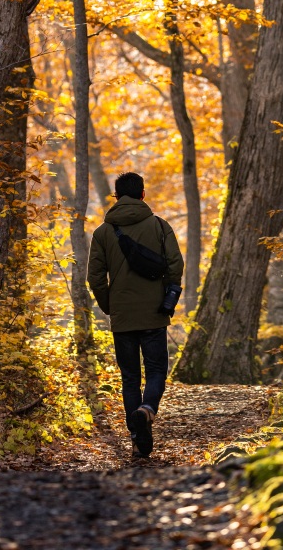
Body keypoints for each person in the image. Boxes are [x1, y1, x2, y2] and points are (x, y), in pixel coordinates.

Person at [88, 171, 184, 458]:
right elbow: (175, 265)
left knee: (130, 377)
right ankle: (147, 409)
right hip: (154, 313)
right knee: (156, 371)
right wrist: (167, 294)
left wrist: (110, 306)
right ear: (143, 194)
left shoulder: (103, 232)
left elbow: (95, 278)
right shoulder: (159, 226)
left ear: (116, 197)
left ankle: (137, 438)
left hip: (123, 316)